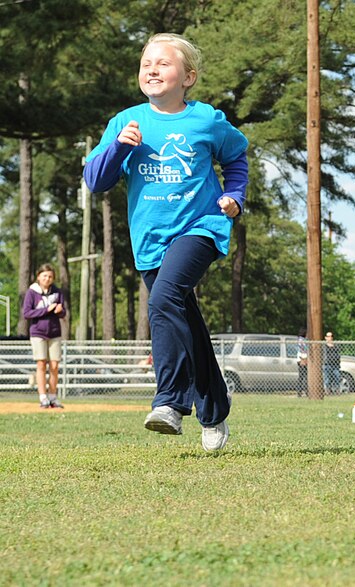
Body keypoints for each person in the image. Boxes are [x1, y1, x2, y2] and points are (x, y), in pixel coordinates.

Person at [83, 33, 248, 451]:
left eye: (163, 63)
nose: (152, 69)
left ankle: (170, 402)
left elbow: (236, 157)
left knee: (164, 300)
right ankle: (215, 411)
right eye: (146, 64)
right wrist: (120, 149)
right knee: (186, 319)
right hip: (149, 239)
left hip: (200, 227)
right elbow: (95, 181)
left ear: (188, 77)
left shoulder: (207, 120)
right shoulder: (126, 122)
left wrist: (236, 196)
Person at [21, 264, 66, 409]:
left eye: (50, 276)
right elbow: (27, 313)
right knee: (41, 364)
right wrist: (47, 309)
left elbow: (62, 312)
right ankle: (43, 397)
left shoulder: (57, 292)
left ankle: (53, 396)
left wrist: (60, 310)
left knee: (54, 365)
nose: (47, 279)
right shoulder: (32, 292)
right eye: (45, 276)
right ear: (39, 276)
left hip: (54, 332)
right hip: (38, 332)